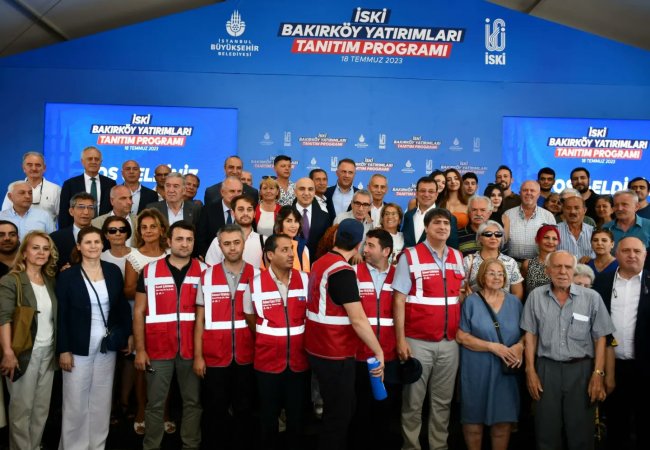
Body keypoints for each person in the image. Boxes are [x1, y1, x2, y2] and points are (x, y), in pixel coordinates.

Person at [521, 250, 614, 450]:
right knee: (546, 431)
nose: (562, 271)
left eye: (568, 267)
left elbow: (600, 338)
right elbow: (530, 334)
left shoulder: (592, 297)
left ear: (574, 270)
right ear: (547, 271)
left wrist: (598, 373)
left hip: (581, 370)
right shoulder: (536, 296)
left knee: (582, 433)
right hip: (546, 370)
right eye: (557, 266)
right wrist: (530, 370)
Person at [304, 218, 384, 450]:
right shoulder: (342, 271)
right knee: (338, 417)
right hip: (335, 353)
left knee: (337, 410)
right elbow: (358, 319)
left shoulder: (320, 263)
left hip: (316, 349)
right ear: (359, 245)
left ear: (335, 237)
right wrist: (378, 350)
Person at [392, 208, 465, 450]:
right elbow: (399, 299)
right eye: (437, 223)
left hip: (450, 342)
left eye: (446, 223)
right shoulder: (410, 256)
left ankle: (439, 446)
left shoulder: (458, 257)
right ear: (426, 227)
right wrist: (400, 340)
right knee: (413, 402)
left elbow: (460, 294)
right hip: (417, 341)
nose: (443, 227)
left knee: (443, 402)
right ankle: (411, 446)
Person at [57, 226, 132, 449]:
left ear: (102, 244)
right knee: (75, 400)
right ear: (79, 246)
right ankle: (73, 446)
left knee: (101, 398)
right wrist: (63, 349)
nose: (93, 246)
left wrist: (128, 334)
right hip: (77, 346)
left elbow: (121, 306)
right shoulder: (68, 275)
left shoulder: (112, 271)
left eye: (97, 242)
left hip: (106, 346)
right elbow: (62, 315)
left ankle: (97, 445)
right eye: (88, 242)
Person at [134, 221, 206, 450]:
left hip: (192, 351)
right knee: (155, 404)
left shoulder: (205, 271)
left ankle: (190, 444)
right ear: (168, 241)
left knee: (193, 402)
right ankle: (151, 446)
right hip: (157, 349)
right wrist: (140, 349)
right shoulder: (149, 271)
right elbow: (139, 311)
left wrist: (201, 353)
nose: (185, 244)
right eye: (179, 239)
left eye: (189, 239)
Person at [194, 224, 259, 450]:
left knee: (244, 409)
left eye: (236, 242)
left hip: (247, 355)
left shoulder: (257, 275)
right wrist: (198, 356)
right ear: (220, 246)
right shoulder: (206, 276)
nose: (232, 248)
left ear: (244, 243)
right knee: (215, 410)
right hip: (215, 356)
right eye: (227, 243)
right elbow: (200, 320)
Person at [244, 234, 310, 450]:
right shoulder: (254, 284)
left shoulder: (305, 280)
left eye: (291, 249)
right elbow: (250, 317)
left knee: (296, 417)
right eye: (284, 250)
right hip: (267, 362)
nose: (291, 254)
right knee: (268, 417)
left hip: (299, 362)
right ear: (270, 255)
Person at [457, 258, 523, 450]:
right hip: (476, 369)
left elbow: (527, 334)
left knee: (502, 423)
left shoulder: (514, 302)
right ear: (482, 276)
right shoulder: (471, 301)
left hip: (505, 371)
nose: (497, 277)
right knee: (473, 422)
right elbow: (462, 336)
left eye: (500, 274)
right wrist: (492, 347)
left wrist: (520, 346)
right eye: (491, 273)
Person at [0, 231, 58, 449]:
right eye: (35, 248)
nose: (41, 252)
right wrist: (8, 352)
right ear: (24, 252)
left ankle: (35, 446)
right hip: (23, 353)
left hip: (48, 352)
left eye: (45, 248)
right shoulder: (11, 280)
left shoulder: (50, 280)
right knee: (21, 410)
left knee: (41, 408)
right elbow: (3, 318)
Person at [592, 236, 650, 450]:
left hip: (646, 368)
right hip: (612, 367)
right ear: (616, 254)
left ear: (645, 255)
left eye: (637, 251)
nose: (632, 255)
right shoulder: (602, 282)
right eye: (626, 251)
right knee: (616, 426)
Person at [350, 229, 399, 450]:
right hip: (359, 356)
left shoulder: (399, 275)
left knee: (386, 411)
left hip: (390, 356)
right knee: (360, 410)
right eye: (365, 244)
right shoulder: (353, 273)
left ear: (386, 251)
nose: (365, 250)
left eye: (371, 245)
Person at [123, 208, 169, 435]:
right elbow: (128, 290)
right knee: (143, 367)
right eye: (144, 227)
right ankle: (142, 410)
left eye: (153, 226)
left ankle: (165, 412)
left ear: (162, 230)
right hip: (143, 319)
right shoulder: (134, 257)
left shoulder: (170, 253)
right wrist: (156, 288)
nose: (148, 231)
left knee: (167, 368)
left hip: (168, 319)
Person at [462, 221, 524, 300]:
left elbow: (517, 293)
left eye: (498, 234)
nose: (493, 237)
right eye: (488, 234)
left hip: (505, 306)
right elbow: (461, 290)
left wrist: (508, 306)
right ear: (480, 238)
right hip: (475, 306)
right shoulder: (468, 261)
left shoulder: (510, 262)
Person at [58, 146, 116, 228]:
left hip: (103, 229)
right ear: (82, 161)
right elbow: (64, 213)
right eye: (90, 159)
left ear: (101, 162)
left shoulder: (110, 183)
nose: (93, 162)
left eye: (96, 159)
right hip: (78, 231)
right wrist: (65, 233)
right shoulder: (69, 184)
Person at [502, 180, 556, 261]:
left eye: (532, 190)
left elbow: (553, 244)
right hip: (512, 263)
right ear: (520, 193)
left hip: (538, 264)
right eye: (525, 190)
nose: (528, 193)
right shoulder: (508, 215)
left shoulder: (548, 216)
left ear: (538, 194)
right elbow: (502, 242)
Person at [205, 194, 263, 268]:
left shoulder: (263, 241)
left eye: (249, 209)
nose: (245, 213)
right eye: (241, 209)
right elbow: (211, 270)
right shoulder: (218, 241)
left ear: (254, 214)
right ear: (232, 213)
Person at [2, 151, 60, 222]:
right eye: (29, 165)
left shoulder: (55, 189)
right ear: (24, 168)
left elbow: (62, 217)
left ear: (44, 168)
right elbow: (5, 215)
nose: (34, 168)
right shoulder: (14, 188)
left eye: (38, 165)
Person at [197, 176, 243, 257]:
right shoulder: (208, 210)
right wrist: (208, 257)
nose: (236, 195)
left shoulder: (246, 211)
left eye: (239, 191)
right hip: (212, 258)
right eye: (232, 191)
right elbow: (201, 239)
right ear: (222, 192)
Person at [50, 193, 96, 272]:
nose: (86, 212)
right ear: (71, 211)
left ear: (94, 212)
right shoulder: (56, 238)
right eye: (81, 207)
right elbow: (50, 267)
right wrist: (60, 271)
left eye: (90, 208)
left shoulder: (102, 236)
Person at [294, 177, 332, 261]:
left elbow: (327, 245)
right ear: (295, 192)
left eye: (310, 189)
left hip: (317, 264)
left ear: (314, 192)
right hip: (292, 263)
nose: (306, 193)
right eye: (302, 189)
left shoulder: (324, 217)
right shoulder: (285, 214)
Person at [521, 224, 560, 295]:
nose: (550, 242)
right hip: (532, 301)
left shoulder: (562, 265)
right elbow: (521, 290)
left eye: (554, 239)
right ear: (537, 240)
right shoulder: (528, 264)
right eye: (546, 237)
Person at [556, 195, 595, 262]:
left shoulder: (593, 232)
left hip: (587, 268)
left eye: (576, 208)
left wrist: (591, 259)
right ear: (563, 210)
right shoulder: (555, 231)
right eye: (568, 208)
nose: (572, 212)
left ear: (584, 210)